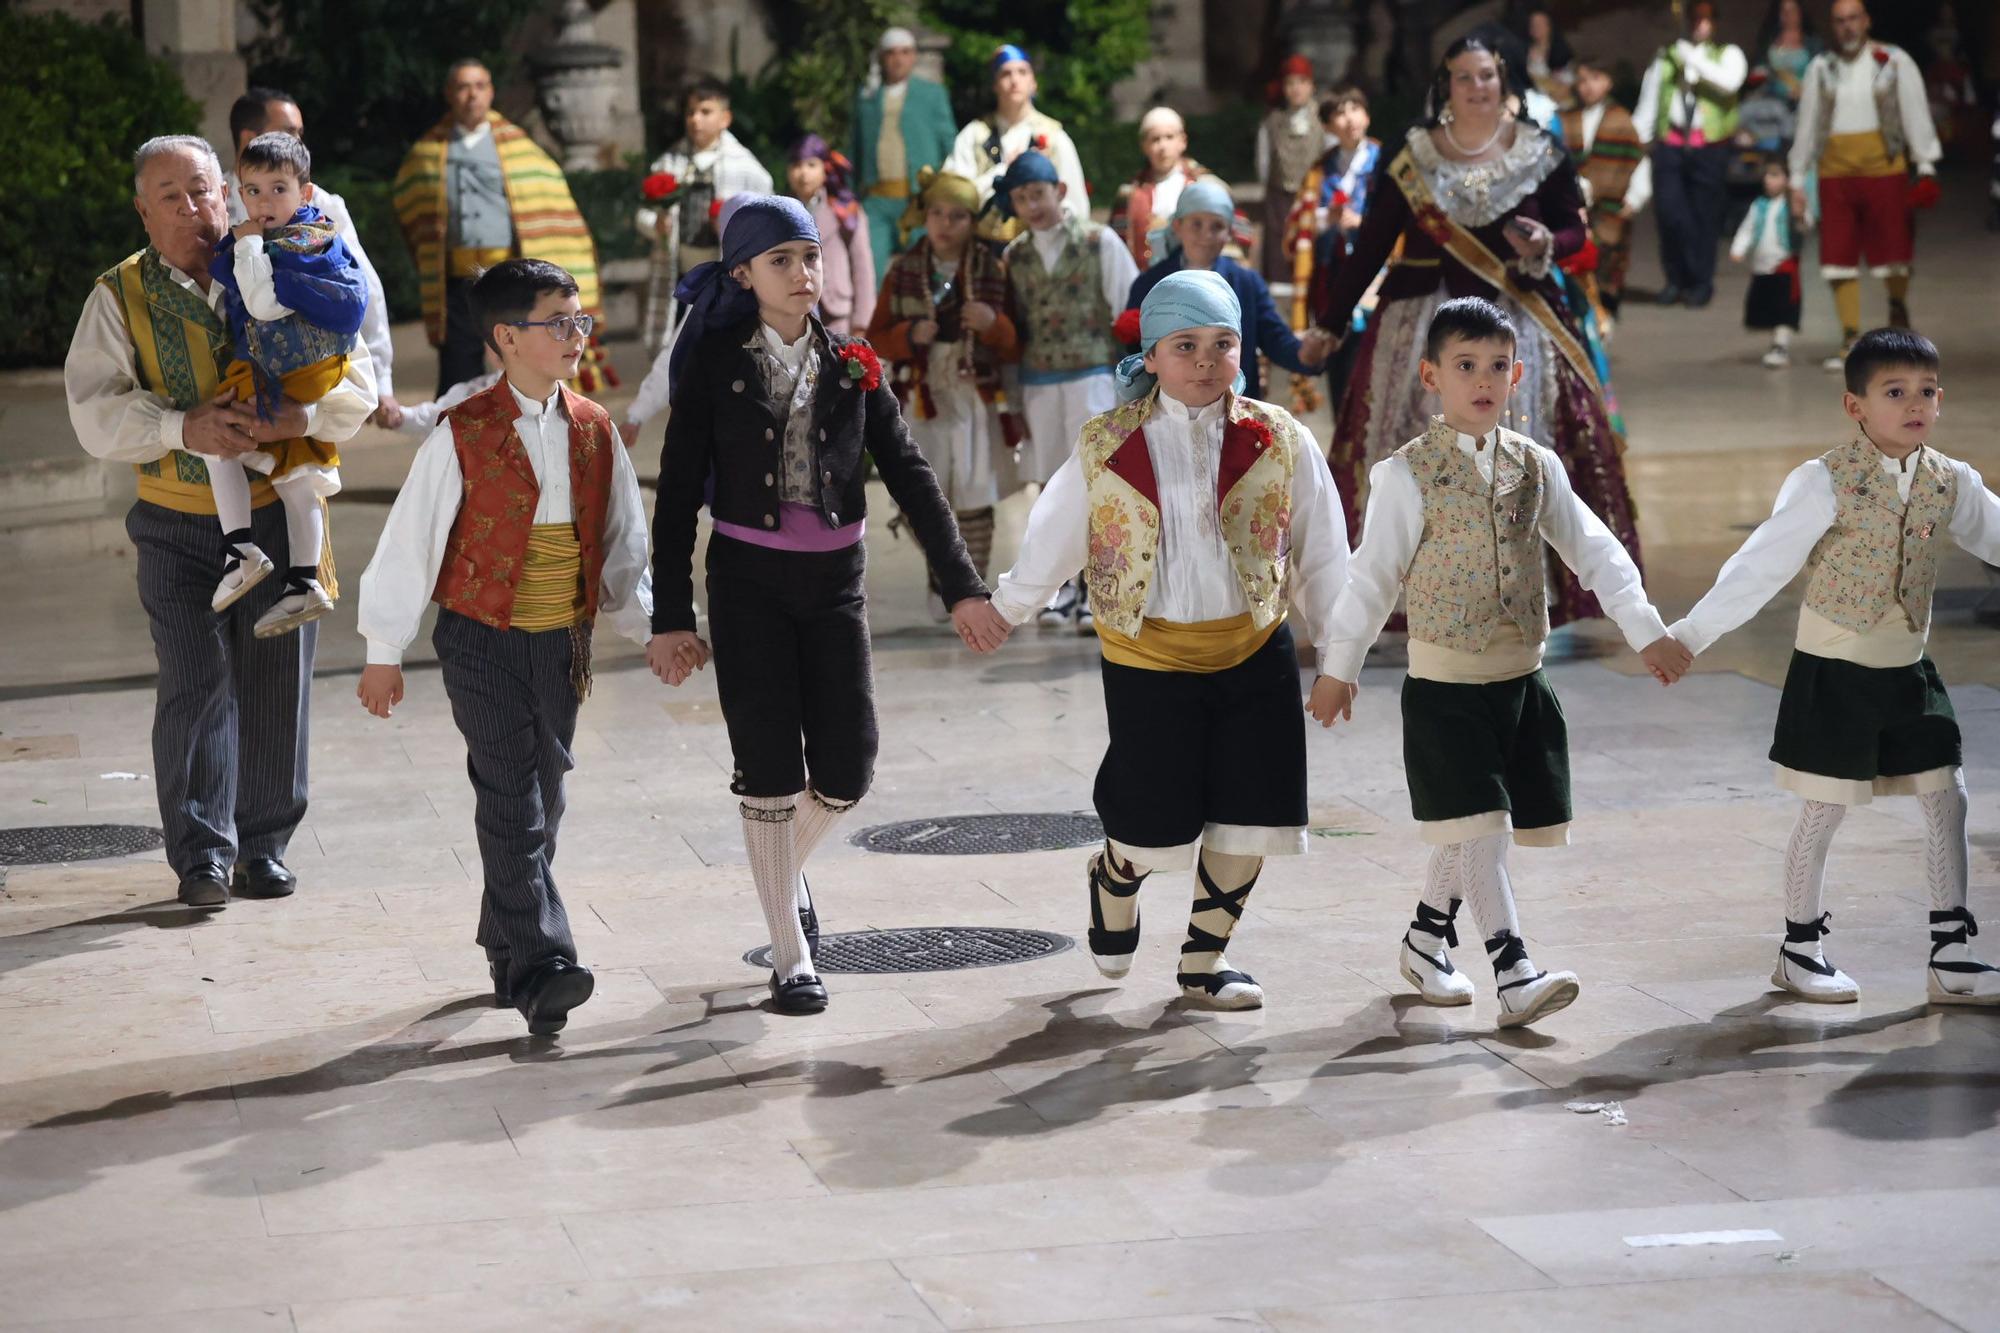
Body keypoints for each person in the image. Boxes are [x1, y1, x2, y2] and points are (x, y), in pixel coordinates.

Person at [648, 196, 995, 1015]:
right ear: (743, 274)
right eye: (782, 261)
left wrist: (963, 584)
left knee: (848, 767)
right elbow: (672, 506)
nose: (805, 274)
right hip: (747, 587)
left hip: (836, 586)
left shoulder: (855, 365)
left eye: (811, 257)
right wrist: (672, 616)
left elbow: (912, 476)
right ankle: (790, 952)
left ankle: (780, 868)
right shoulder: (714, 365)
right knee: (767, 770)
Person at [969, 269, 1352, 1011]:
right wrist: (1007, 607)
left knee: (1253, 813)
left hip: (1255, 649)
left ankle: (1205, 960)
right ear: (1151, 355)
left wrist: (1339, 654)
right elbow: (1057, 535)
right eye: (1186, 345)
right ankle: (1115, 874)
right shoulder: (1107, 443)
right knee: (1152, 817)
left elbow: (1322, 549)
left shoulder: (1281, 437)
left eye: (1223, 343)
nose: (1207, 360)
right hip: (1149, 658)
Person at [1320, 297, 1688, 1027]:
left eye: (1495, 366)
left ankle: (1427, 940)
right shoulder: (1407, 475)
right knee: (1481, 824)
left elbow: (1595, 550)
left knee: (1472, 824)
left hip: (1521, 679)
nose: (1482, 380)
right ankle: (1513, 969)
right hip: (1445, 686)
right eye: (1464, 366)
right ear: (1431, 376)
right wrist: (1340, 665)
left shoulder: (1536, 466)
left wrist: (1645, 628)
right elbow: (1371, 577)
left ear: (1517, 373)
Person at [65, 135, 376, 908]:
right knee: (195, 678)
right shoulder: (118, 295)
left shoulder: (287, 259)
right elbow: (92, 412)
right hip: (173, 524)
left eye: (204, 191)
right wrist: (181, 429)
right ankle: (202, 852)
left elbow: (357, 373)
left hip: (275, 513)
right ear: (143, 210)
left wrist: (299, 416)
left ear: (228, 193)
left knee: (276, 682)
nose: (193, 208)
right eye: (170, 196)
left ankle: (263, 845)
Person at [356, 259, 652, 1035]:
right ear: (506, 339)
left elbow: (623, 547)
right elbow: (410, 542)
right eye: (558, 322)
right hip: (480, 640)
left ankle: (504, 937)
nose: (575, 336)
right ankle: (544, 965)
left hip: (564, 642)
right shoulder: (463, 432)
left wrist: (653, 630)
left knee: (545, 793)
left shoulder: (594, 428)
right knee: (512, 797)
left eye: (580, 320)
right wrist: (384, 648)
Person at [1665, 329, 2000, 1006]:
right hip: (1836, 669)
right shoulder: (1823, 481)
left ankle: (1951, 952)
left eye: (1926, 392)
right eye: (1895, 392)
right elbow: (1759, 565)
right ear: (1856, 405)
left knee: (1947, 794)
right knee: (1825, 810)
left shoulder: (1950, 481)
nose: (1914, 405)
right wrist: (1689, 635)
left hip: (1907, 669)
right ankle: (1799, 947)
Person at [1316, 37, 1642, 631]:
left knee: (1522, 450)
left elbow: (1576, 230)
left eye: (1486, 75)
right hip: (1421, 328)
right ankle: (1417, 592)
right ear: (1446, 85)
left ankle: (1521, 591)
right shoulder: (1413, 155)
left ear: (1504, 81)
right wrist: (1330, 323)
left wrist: (1547, 243)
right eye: (1463, 77)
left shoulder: (1540, 151)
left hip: (1518, 322)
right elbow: (1371, 247)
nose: (1476, 87)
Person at [206, 133, 364, 637]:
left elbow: (263, 305)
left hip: (294, 373)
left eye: (278, 188)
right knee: (300, 477)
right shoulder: (309, 237)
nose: (264, 202)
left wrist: (248, 242)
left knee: (219, 440)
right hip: (297, 375)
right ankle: (303, 581)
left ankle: (241, 551)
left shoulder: (299, 243)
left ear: (306, 192)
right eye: (252, 191)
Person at [393, 58, 605, 396]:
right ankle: (454, 440)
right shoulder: (426, 154)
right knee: (457, 370)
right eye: (463, 87)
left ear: (491, 93)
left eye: (479, 86)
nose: (471, 95)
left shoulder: (521, 149)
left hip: (506, 278)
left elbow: (547, 204)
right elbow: (410, 208)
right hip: (457, 282)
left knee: (518, 358)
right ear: (449, 94)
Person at [997, 150, 1141, 630]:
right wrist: (1011, 401)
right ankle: (1058, 591)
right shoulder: (1013, 256)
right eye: (1022, 197)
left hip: (1093, 378)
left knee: (1097, 483)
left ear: (1059, 191)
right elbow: (1014, 330)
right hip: (1040, 383)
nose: (1033, 205)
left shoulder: (1100, 242)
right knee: (1050, 491)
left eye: (1038, 193)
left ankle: (1096, 588)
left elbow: (1127, 308)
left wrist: (1133, 386)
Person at [867, 169, 1019, 613]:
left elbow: (1014, 343)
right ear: (924, 217)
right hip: (923, 392)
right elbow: (876, 334)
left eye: (957, 216)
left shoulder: (992, 269)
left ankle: (970, 588)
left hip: (974, 394)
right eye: (937, 213)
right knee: (922, 492)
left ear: (972, 222)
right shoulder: (904, 271)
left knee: (973, 494)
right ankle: (944, 578)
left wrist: (993, 326)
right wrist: (910, 333)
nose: (945, 224)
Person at [225, 87, 400, 428]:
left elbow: (361, 286)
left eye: (300, 135)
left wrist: (380, 382)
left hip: (311, 379)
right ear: (249, 138)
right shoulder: (213, 200)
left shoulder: (318, 204)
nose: (301, 144)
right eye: (289, 133)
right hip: (235, 377)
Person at [1788, 0, 1942, 370]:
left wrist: (1924, 162)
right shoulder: (1820, 68)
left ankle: (1898, 315)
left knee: (1894, 254)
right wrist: (1796, 176)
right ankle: (1852, 336)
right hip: (1834, 173)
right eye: (1840, 21)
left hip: (1884, 169)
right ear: (1832, 25)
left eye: (1854, 18)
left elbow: (1914, 110)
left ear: (1867, 20)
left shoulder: (1892, 61)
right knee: (1837, 257)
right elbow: (1806, 125)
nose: (1847, 27)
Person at [1125, 180, 1334, 404]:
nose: (1206, 235)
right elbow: (1134, 352)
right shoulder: (1149, 284)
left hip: (1233, 410)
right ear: (1178, 226)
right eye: (1197, 224)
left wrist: (1305, 354)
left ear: (1229, 232)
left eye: (1217, 226)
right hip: (1167, 409)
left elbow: (1275, 338)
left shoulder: (1246, 282)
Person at [1635, 2, 1748, 307]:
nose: (1700, 25)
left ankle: (1700, 282)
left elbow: (1729, 84)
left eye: (1705, 20)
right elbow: (1650, 99)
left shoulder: (1727, 55)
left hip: (1709, 148)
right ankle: (1675, 278)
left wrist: (1694, 60)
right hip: (1670, 145)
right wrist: (1636, 141)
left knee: (1703, 216)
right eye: (1695, 19)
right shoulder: (1666, 57)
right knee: (1670, 214)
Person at [945, 44, 1090, 242]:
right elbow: (955, 196)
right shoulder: (973, 135)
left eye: (1022, 72)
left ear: (1033, 83)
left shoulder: (1053, 137)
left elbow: (1075, 205)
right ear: (995, 85)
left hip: (1040, 247)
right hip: (983, 249)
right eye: (1005, 74)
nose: (1014, 80)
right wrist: (1002, 172)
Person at [636, 78, 776, 279]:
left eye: (705, 112)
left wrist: (734, 227)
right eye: (690, 112)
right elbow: (642, 214)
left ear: (725, 118)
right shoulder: (668, 163)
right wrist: (655, 224)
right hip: (677, 272)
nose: (695, 119)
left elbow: (768, 221)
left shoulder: (747, 168)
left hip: (725, 271)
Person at [851, 26, 959, 274]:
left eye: (905, 52)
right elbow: (854, 147)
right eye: (891, 53)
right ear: (882, 57)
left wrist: (947, 189)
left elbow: (949, 142)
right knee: (869, 270)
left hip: (918, 196)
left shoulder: (931, 93)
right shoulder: (867, 96)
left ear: (913, 57)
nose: (898, 59)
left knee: (925, 267)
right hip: (876, 199)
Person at [1288, 85, 1381, 352]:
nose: (1350, 119)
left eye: (1355, 109)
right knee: (1337, 355)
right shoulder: (1319, 170)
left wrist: (1363, 223)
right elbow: (1297, 227)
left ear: (1367, 116)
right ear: (1328, 126)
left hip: (1376, 269)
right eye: (1340, 113)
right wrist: (1327, 218)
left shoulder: (1384, 161)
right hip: (1333, 272)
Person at [1565, 54, 1652, 316]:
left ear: (1609, 83)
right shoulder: (1568, 119)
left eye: (1595, 79)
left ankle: (1605, 318)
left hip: (1611, 211)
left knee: (1608, 269)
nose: (1588, 86)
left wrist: (1636, 199)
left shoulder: (1622, 120)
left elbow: (1638, 161)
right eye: (1582, 80)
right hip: (1575, 209)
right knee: (1576, 269)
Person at [786, 135, 875, 336]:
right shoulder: (781, 212)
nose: (803, 173)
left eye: (811, 165)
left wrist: (862, 321)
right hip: (795, 311)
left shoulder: (844, 211)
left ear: (825, 168)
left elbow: (862, 266)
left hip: (836, 311)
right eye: (796, 165)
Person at [1108, 107, 1212, 270]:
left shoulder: (1206, 186)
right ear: (1144, 146)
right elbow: (1116, 250)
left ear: (1182, 141)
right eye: (1155, 139)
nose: (1163, 146)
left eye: (1169, 137)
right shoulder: (1128, 194)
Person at [1256, 55, 1328, 284]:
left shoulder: (1324, 119)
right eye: (1290, 83)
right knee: (1279, 257)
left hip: (1313, 198)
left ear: (1311, 85)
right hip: (1280, 200)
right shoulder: (1272, 122)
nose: (1296, 89)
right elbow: (1263, 164)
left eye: (1301, 82)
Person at [1730, 156, 1804, 368]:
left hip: (1784, 265)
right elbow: (1748, 228)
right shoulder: (1759, 205)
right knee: (1768, 308)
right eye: (1767, 176)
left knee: (1785, 309)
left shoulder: (1791, 206)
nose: (1769, 181)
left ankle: (1780, 345)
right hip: (1762, 267)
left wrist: (1799, 216)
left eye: (1775, 176)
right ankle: (1775, 342)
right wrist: (1739, 248)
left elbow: (1804, 226)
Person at [1752, 0, 1820, 112]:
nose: (1788, 15)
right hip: (1772, 103)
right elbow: (1759, 73)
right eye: (1784, 11)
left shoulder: (1813, 44)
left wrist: (1805, 91)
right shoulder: (1768, 43)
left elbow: (1821, 78)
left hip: (1804, 104)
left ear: (1800, 13)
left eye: (1792, 10)